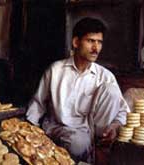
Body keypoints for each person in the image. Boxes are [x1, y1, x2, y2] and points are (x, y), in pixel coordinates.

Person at [26, 17, 130, 163]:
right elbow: (38, 103)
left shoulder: (105, 76)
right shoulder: (55, 70)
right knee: (77, 143)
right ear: (76, 42)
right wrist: (30, 129)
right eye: (90, 41)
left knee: (110, 89)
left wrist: (114, 126)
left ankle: (97, 143)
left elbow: (122, 111)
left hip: (90, 131)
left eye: (99, 42)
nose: (96, 48)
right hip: (57, 127)